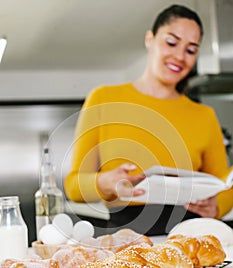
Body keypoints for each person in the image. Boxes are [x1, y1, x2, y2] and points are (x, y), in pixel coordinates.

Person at [64, 4, 233, 235]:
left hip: (192, 237)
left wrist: (217, 206)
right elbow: (73, 186)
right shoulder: (103, 99)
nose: (179, 56)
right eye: (171, 43)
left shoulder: (204, 115)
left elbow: (224, 186)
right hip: (125, 239)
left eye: (191, 50)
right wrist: (105, 182)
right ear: (150, 39)